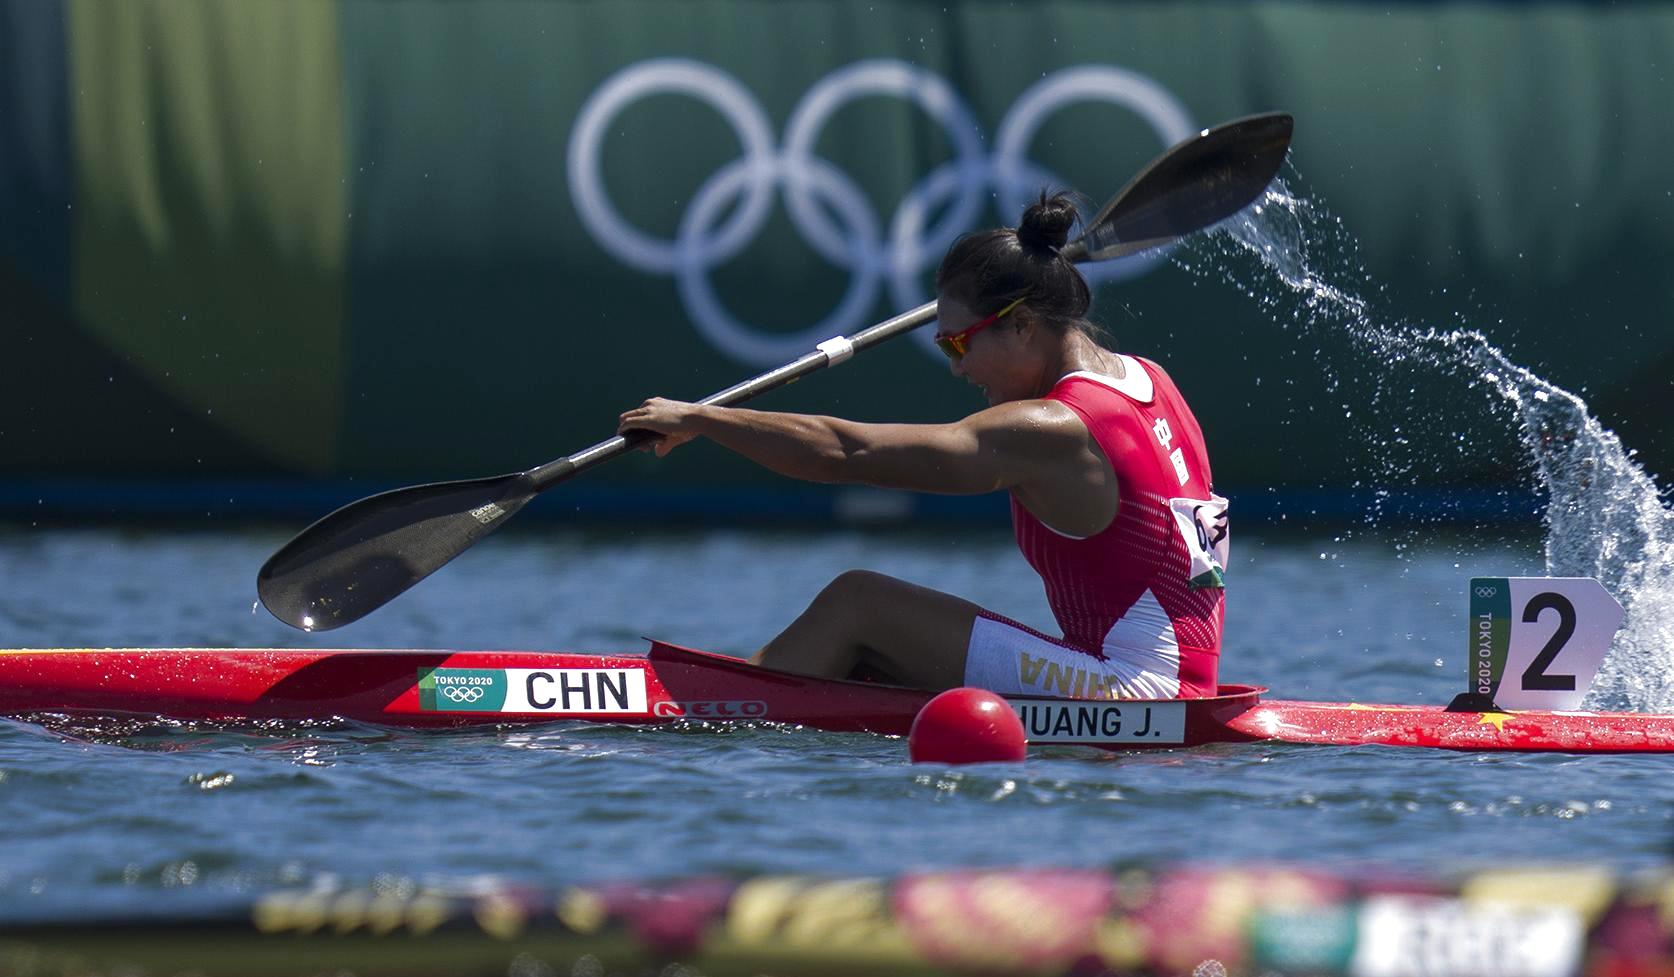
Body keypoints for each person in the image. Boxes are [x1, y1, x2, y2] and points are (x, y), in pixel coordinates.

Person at [617, 192, 1228, 699]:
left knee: (858, 605)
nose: (957, 370)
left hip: (1135, 691)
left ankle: (713, 712)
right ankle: (781, 691)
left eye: (959, 345)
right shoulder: (1151, 381)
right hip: (1180, 681)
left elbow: (845, 453)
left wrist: (703, 418)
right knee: (879, 646)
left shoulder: (1057, 428)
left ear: (1022, 324)